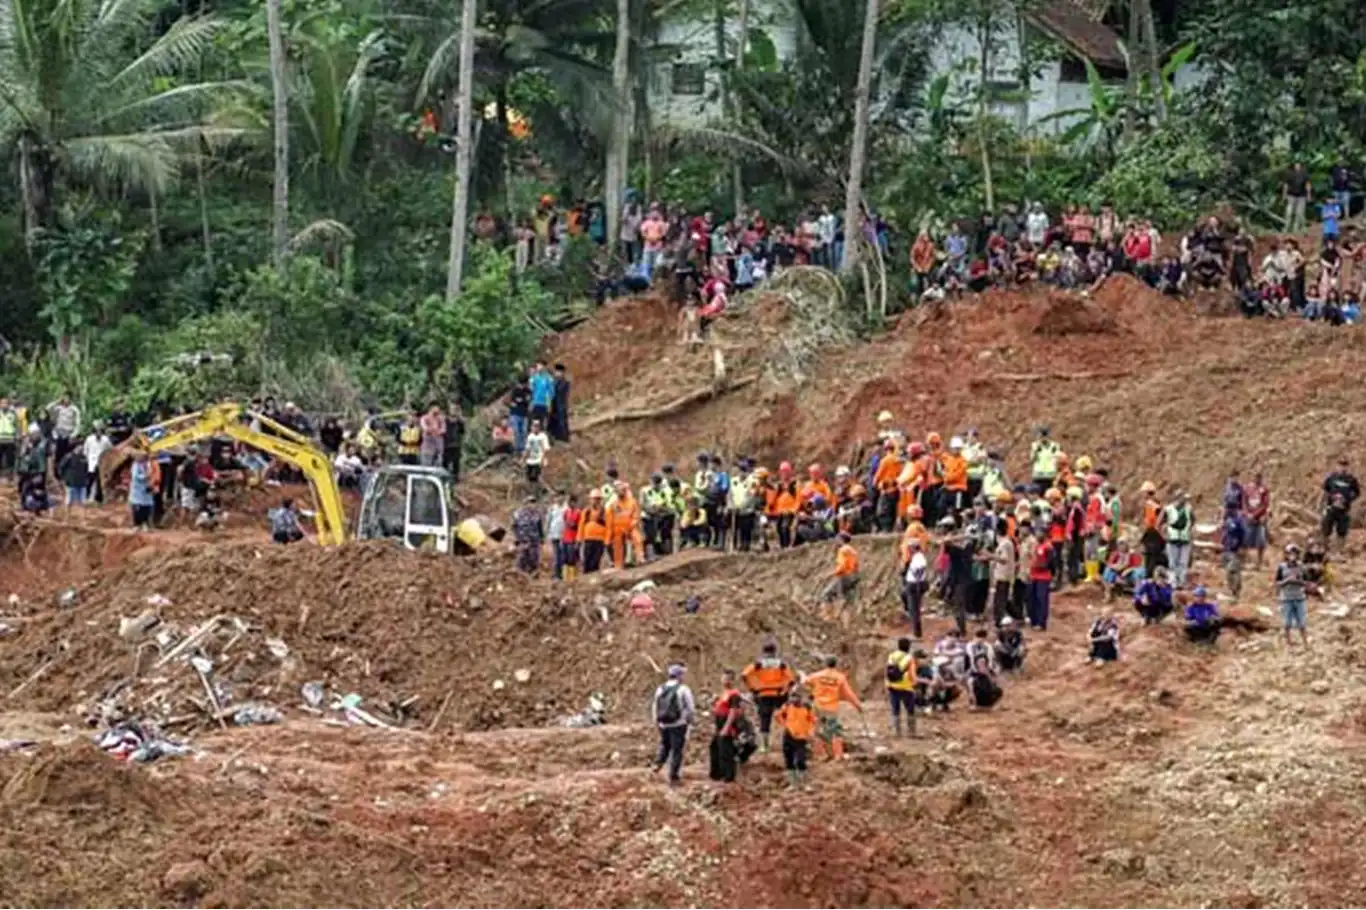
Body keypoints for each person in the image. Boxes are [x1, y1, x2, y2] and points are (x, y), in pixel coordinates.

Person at [803, 655, 863, 760]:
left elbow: (805, 682)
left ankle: (820, 755)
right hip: (831, 708)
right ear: (836, 665)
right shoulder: (840, 677)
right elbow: (849, 694)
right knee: (834, 731)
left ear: (825, 664)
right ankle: (838, 755)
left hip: (818, 706)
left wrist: (812, 691)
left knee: (818, 730)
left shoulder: (817, 675)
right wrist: (857, 705)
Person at [741, 640, 796, 752]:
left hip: (763, 694)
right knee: (783, 718)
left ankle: (764, 746)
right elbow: (791, 680)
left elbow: (745, 675)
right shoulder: (781, 664)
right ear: (775, 651)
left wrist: (752, 688)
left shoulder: (758, 664)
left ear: (763, 651)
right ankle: (786, 742)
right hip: (778, 694)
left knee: (764, 720)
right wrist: (785, 691)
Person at [651, 664, 696, 785]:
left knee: (665, 745)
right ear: (679, 675)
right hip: (678, 724)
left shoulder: (660, 688)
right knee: (677, 750)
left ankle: (657, 764)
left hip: (664, 723)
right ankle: (674, 776)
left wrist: (656, 722)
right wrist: (691, 721)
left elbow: (655, 706)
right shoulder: (683, 689)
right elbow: (690, 708)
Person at [708, 670, 755, 783]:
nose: (725, 681)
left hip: (728, 725)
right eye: (724, 678)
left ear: (732, 680)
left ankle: (728, 777)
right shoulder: (724, 693)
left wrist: (726, 728)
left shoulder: (734, 694)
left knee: (726, 751)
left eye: (728, 679)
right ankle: (717, 774)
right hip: (719, 723)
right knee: (714, 747)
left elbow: (733, 712)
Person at [773, 688, 817, 788]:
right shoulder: (787, 706)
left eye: (797, 696)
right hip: (788, 736)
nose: (794, 699)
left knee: (800, 760)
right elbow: (778, 716)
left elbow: (812, 720)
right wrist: (785, 725)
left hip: (801, 738)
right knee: (789, 760)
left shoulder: (807, 707)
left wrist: (810, 731)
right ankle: (793, 784)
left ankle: (805, 784)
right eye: (792, 696)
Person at [1276, 543, 1312, 647]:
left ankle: (1305, 642)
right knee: (1287, 623)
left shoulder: (1302, 567)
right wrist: (1287, 580)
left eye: (1294, 554)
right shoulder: (1282, 567)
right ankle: (1289, 643)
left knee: (1302, 623)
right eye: (1290, 554)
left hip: (1299, 597)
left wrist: (1298, 581)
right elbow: (1278, 583)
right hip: (1286, 598)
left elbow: (1307, 582)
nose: (1292, 556)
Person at [1321, 457, 1360, 548]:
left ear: (1347, 467)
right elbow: (1325, 490)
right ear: (1336, 466)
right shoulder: (1331, 478)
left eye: (1344, 466)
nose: (1342, 468)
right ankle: (1323, 549)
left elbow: (1357, 493)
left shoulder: (1351, 479)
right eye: (1340, 465)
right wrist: (1331, 498)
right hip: (1331, 507)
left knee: (1342, 531)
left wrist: (1347, 499)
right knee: (1326, 529)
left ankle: (1339, 551)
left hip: (1344, 509)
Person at [820, 531, 860, 617]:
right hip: (854, 576)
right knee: (845, 597)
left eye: (836, 539)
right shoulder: (852, 549)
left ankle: (827, 616)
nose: (835, 541)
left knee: (826, 594)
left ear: (841, 539)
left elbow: (842, 566)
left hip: (845, 576)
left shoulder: (842, 550)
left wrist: (830, 574)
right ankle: (843, 618)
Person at [885, 636, 917, 738]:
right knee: (910, 709)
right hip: (905, 686)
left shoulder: (891, 656)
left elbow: (888, 670)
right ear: (909, 647)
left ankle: (897, 732)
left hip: (892, 685)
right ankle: (911, 732)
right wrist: (915, 683)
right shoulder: (909, 658)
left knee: (896, 709)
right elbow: (912, 673)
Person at [1161, 490, 1195, 587]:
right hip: (1172, 539)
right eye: (1183, 498)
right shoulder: (1168, 509)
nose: (1185, 500)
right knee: (1172, 563)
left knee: (1183, 563)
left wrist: (1189, 531)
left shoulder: (1189, 509)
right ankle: (1173, 583)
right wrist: (1164, 534)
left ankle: (1181, 582)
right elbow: (1160, 522)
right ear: (1178, 498)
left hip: (1185, 539)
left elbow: (1192, 521)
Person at [966, 629, 1002, 709]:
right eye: (978, 637)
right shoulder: (970, 645)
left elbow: (990, 660)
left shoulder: (987, 646)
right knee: (971, 684)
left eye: (981, 637)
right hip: (975, 671)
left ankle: (989, 703)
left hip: (986, 669)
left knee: (995, 686)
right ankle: (974, 704)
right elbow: (973, 660)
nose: (979, 639)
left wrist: (993, 671)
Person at [1026, 526, 1053, 631]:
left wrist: (1037, 565)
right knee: (1032, 598)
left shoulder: (1048, 547)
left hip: (1043, 577)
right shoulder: (1036, 546)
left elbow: (1050, 563)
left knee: (1041, 599)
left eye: (1040, 532)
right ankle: (1034, 620)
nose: (1038, 535)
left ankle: (1041, 623)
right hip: (1033, 575)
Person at [902, 537, 929, 638]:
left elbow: (920, 569)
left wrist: (916, 578)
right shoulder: (916, 557)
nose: (908, 549)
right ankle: (916, 632)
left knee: (915, 610)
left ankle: (917, 634)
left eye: (910, 547)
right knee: (912, 607)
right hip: (913, 584)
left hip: (915, 584)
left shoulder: (919, 557)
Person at [1244, 471, 1270, 568]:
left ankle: (1259, 562)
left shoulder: (1264, 489)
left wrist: (1255, 515)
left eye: (1259, 477)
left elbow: (1265, 504)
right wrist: (1247, 513)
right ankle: (1248, 561)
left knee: (1261, 540)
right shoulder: (1248, 488)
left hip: (1260, 518)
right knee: (1247, 539)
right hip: (1249, 517)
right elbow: (1244, 501)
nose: (1257, 479)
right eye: (1255, 477)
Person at [511, 495, 544, 574]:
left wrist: (542, 538)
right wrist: (517, 538)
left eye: (533, 503)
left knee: (534, 559)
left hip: (535, 540)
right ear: (525, 504)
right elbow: (514, 527)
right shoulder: (518, 514)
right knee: (522, 558)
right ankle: (519, 575)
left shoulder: (537, 514)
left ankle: (533, 576)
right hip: (523, 540)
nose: (532, 505)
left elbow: (540, 527)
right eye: (530, 503)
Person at [579, 489, 609, 574]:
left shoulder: (604, 511)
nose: (596, 501)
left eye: (598, 499)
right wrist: (579, 539)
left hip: (600, 540)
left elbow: (608, 526)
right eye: (594, 499)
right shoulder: (586, 511)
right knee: (587, 561)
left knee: (595, 562)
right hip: (588, 539)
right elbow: (581, 525)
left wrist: (607, 540)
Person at [128, 450, 159, 531]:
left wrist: (153, 483)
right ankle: (137, 525)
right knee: (137, 507)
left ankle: (145, 523)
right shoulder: (135, 465)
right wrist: (145, 476)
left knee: (147, 507)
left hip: (147, 487)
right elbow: (135, 476)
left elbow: (154, 473)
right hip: (138, 489)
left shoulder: (149, 464)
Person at [1221, 508, 1247, 599]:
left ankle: (1236, 591)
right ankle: (1232, 590)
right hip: (1226, 548)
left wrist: (1241, 546)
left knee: (1233, 570)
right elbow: (1224, 532)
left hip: (1234, 549)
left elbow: (1243, 534)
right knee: (1228, 571)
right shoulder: (1227, 519)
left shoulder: (1239, 520)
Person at [56, 443, 89, 511]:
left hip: (82, 482)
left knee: (83, 501)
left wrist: (86, 478)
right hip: (71, 482)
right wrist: (62, 478)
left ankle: (83, 517)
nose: (81, 448)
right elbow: (61, 467)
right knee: (69, 500)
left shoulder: (84, 457)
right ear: (76, 447)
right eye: (80, 446)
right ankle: (67, 516)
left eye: (82, 447)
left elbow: (86, 469)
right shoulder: (69, 457)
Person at [1283, 161, 1311, 233]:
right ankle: (1286, 227)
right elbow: (1286, 185)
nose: (1297, 165)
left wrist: (1308, 195)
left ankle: (1296, 228)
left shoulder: (1304, 173)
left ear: (1300, 165)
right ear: (1294, 165)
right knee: (1289, 212)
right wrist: (1284, 195)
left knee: (1299, 213)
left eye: (1298, 164)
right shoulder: (1289, 173)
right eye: (1296, 164)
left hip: (1301, 195)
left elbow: (1307, 184)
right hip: (1291, 195)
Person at [522, 419, 550, 486]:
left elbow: (545, 449)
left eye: (537, 426)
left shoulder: (543, 436)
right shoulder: (530, 436)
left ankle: (537, 491)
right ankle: (530, 492)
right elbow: (527, 449)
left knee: (537, 477)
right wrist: (522, 459)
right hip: (531, 460)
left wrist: (542, 460)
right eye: (534, 426)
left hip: (539, 460)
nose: (535, 428)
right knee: (529, 477)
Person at [528, 362, 555, 430]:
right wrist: (531, 402)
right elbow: (530, 391)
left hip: (544, 404)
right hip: (535, 403)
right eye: (537, 366)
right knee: (534, 423)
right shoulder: (534, 378)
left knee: (543, 423)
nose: (538, 367)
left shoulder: (548, 378)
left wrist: (549, 403)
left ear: (544, 367)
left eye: (540, 366)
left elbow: (551, 392)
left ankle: (543, 437)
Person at [549, 364, 572, 443]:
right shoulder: (553, 381)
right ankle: (555, 437)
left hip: (561, 404)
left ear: (562, 373)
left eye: (559, 372)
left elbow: (560, 391)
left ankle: (564, 437)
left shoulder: (565, 382)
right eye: (556, 372)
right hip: (553, 404)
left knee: (562, 421)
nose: (557, 374)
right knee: (552, 421)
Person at [443, 402, 466, 481]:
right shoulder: (445, 420)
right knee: (445, 464)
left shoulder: (459, 422)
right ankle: (445, 480)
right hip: (446, 445)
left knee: (456, 465)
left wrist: (460, 419)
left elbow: (462, 432)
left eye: (455, 409)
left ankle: (455, 480)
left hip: (456, 445)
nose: (454, 410)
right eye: (452, 408)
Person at [0, 396, 17, 479]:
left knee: (10, 459)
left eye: (5, 403)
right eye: (2, 403)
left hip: (10, 439)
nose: (4, 405)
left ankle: (10, 475)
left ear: (8, 405)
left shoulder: (12, 414)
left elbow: (16, 426)